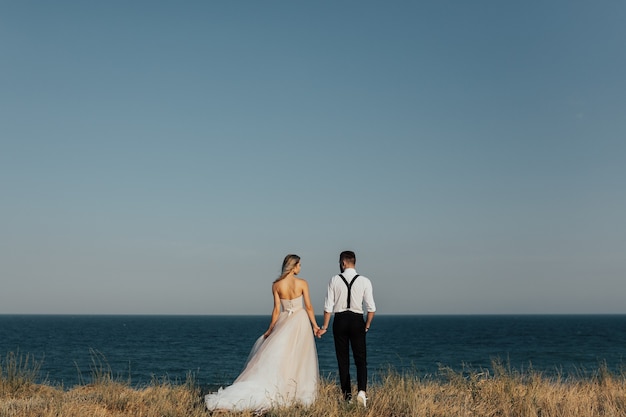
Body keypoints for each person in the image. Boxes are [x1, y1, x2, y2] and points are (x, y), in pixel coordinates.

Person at [205, 254, 322, 412]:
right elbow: (308, 307)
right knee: (298, 358)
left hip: (284, 321)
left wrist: (270, 330)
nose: (300, 268)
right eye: (299, 265)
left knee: (281, 357)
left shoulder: (276, 285)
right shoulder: (302, 283)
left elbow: (276, 310)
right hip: (300, 322)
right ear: (293, 266)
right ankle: (294, 391)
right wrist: (315, 326)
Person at [318, 250, 376, 407]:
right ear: (354, 262)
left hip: (340, 320)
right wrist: (367, 325)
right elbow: (371, 309)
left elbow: (327, 307)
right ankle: (362, 393)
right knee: (361, 360)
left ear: (343, 263)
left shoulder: (334, 280)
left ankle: (347, 397)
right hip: (357, 320)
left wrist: (324, 327)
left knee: (343, 361)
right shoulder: (365, 281)